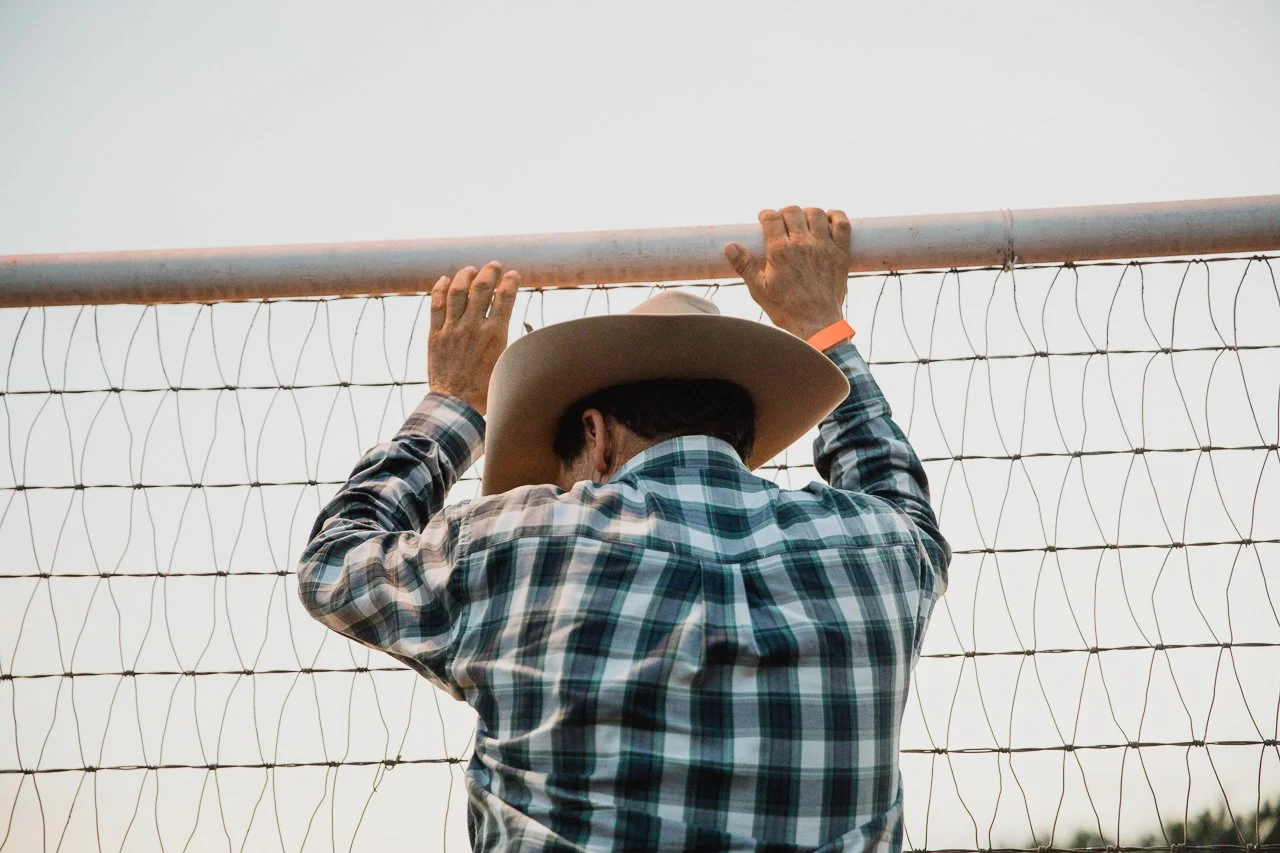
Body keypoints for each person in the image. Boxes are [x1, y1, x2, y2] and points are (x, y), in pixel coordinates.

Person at [297, 206, 950, 852]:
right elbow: (897, 492)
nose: (564, 493)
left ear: (596, 435)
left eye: (565, 475)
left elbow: (333, 563)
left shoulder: (525, 539)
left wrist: (454, 403)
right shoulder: (878, 549)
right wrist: (823, 324)